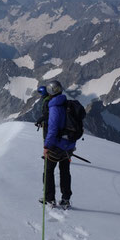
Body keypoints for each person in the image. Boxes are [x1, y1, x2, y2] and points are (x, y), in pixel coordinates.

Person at [39, 80, 75, 209]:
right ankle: (66, 199)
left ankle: (49, 199)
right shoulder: (66, 103)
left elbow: (52, 130)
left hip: (56, 146)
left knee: (48, 171)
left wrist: (46, 147)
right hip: (69, 146)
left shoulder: (54, 107)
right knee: (65, 171)